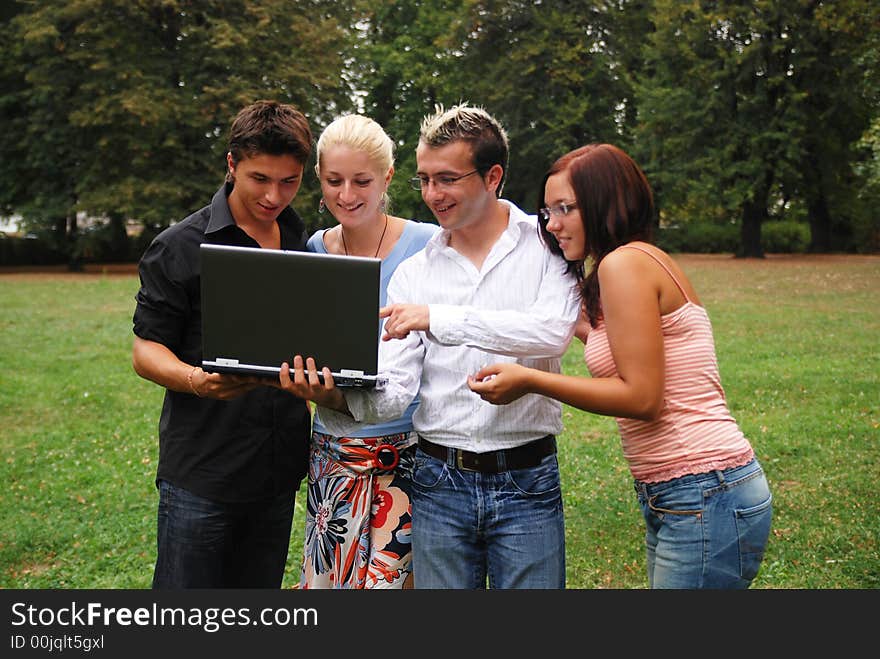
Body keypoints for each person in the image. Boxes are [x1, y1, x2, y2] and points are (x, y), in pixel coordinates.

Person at [279, 103, 582, 589]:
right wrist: (335, 395)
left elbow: (550, 331)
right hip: (439, 480)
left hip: (528, 475)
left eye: (446, 178)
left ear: (493, 176)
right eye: (424, 179)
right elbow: (396, 391)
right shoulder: (415, 272)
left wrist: (439, 319)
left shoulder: (544, 244)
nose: (432, 194)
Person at [469, 143, 773, 589]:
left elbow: (642, 398)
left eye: (565, 209)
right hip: (688, 492)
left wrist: (532, 380)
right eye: (547, 211)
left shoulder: (623, 265)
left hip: (704, 487)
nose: (552, 225)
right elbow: (615, 346)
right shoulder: (632, 262)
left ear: (603, 203)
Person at [131, 100, 313, 588]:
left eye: (290, 181)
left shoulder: (305, 244)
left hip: (277, 473)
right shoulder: (179, 246)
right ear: (231, 164)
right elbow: (145, 351)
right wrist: (196, 381)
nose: (275, 196)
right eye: (260, 179)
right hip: (202, 474)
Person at [300, 114, 438, 588]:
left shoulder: (426, 244)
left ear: (388, 179)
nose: (347, 194)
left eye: (362, 181)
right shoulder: (314, 250)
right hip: (333, 454)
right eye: (333, 180)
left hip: (407, 455)